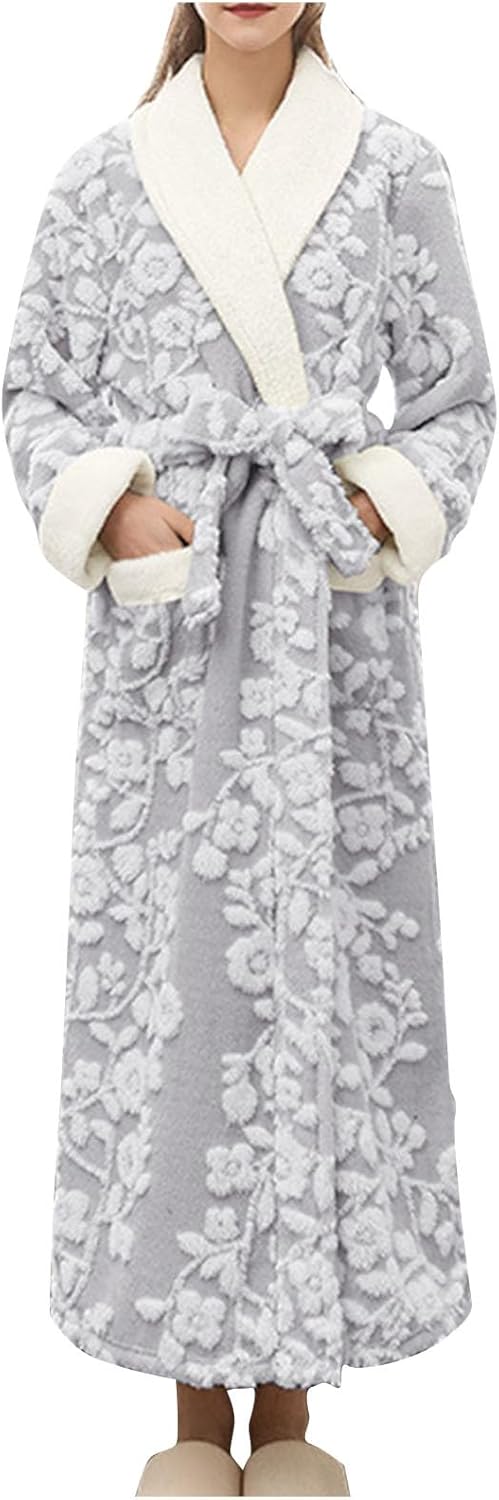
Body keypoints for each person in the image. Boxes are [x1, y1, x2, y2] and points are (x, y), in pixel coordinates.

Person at [2, 3, 495, 1496]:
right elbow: (32, 387)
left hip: (333, 646)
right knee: (183, 986)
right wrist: (110, 505)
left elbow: (461, 398)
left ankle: (289, 1422)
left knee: (330, 969)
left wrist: (377, 507)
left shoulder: (396, 165)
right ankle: (190, 1424)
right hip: (176, 648)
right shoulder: (101, 176)